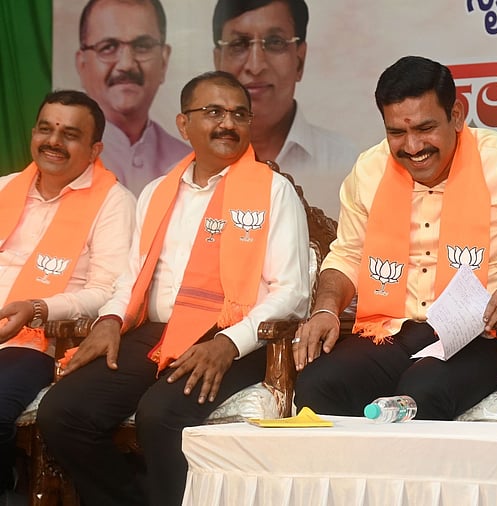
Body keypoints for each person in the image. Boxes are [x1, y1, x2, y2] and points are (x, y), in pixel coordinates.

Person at [38, 71, 310, 506]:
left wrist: (227, 343)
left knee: (161, 415)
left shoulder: (273, 192)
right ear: (184, 125)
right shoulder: (156, 192)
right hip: (156, 332)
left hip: (232, 338)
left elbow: (293, 293)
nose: (228, 124)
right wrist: (109, 319)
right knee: (63, 413)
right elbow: (132, 276)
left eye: (240, 114)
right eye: (214, 112)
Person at [292, 55, 497, 421]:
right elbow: (348, 255)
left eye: (425, 128)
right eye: (397, 132)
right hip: (390, 330)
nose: (412, 146)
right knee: (319, 384)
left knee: (422, 393)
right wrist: (325, 309)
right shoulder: (369, 169)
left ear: (456, 115)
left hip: (480, 336)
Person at [0, 90, 134, 500]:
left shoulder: (114, 202)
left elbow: (108, 290)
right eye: (46, 128)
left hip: (39, 343)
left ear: (95, 149)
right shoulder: (5, 188)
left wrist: (39, 309)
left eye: (70, 134)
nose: (53, 141)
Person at [212, 0, 360, 219]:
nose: (255, 65)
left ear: (299, 61)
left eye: (274, 42)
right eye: (239, 44)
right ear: (218, 61)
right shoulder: (190, 170)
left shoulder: (347, 162)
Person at [76, 0, 191, 194]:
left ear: (163, 61)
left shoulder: (189, 163)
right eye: (108, 47)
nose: (126, 64)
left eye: (142, 46)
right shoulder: (62, 157)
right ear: (82, 65)